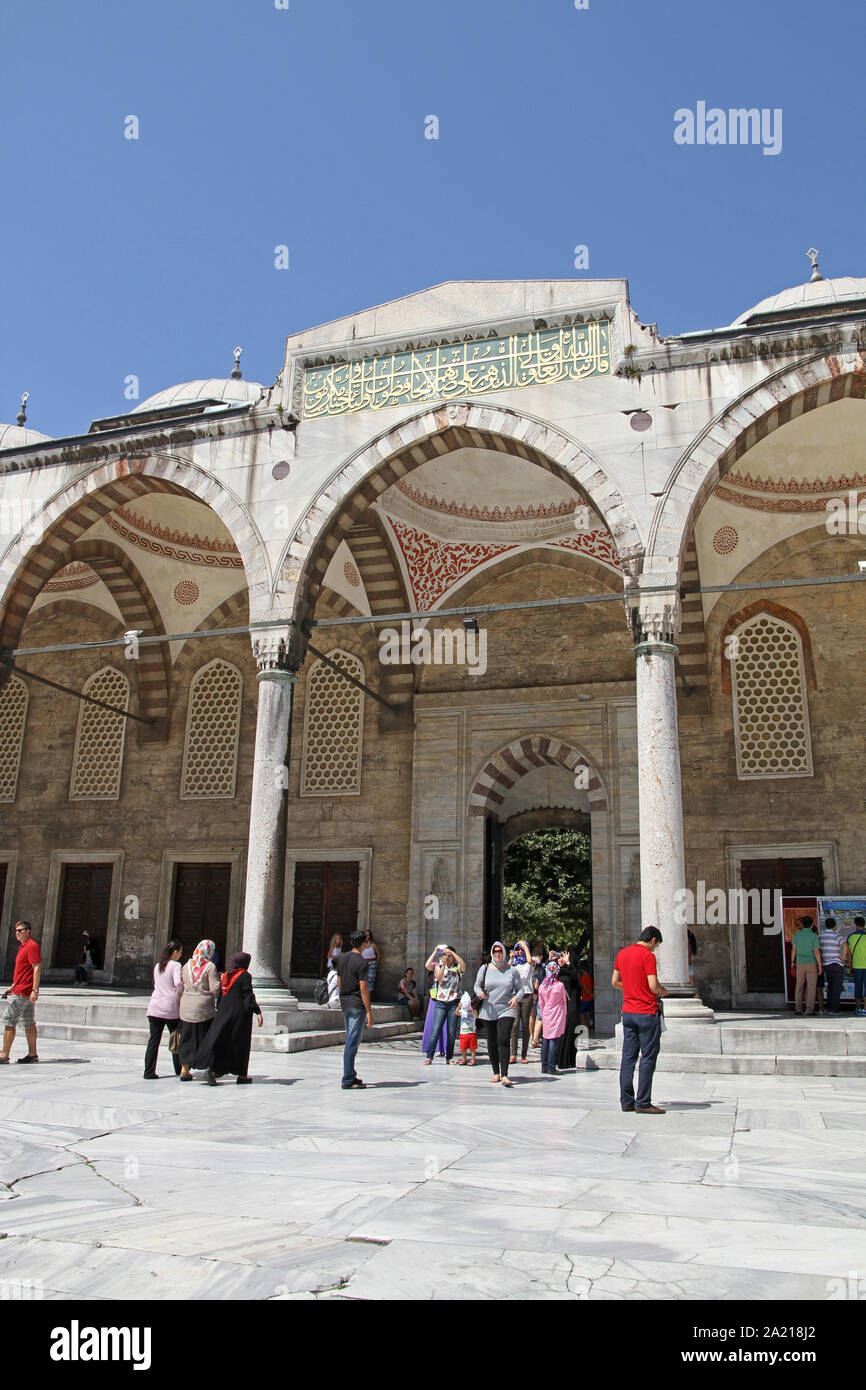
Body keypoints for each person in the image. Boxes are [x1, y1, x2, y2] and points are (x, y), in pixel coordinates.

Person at [612, 926, 668, 1114]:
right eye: (656, 945)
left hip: (628, 1012)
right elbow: (653, 985)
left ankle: (626, 1101)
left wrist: (632, 989)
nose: (655, 949)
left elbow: (614, 981)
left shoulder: (622, 954)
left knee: (628, 1057)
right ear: (653, 940)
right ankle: (643, 1102)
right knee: (648, 1057)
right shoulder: (648, 956)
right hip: (646, 1012)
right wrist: (663, 992)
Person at [191, 952, 263, 1084]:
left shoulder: (225, 976)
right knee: (240, 1044)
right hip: (240, 1014)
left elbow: (220, 995)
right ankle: (242, 1075)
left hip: (224, 1012)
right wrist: (257, 1011)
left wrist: (219, 1009)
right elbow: (248, 994)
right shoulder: (245, 975)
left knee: (223, 1041)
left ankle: (213, 1069)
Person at [473, 941, 528, 1087]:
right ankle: (496, 1072)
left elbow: (520, 989)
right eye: (495, 951)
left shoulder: (511, 970)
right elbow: (477, 986)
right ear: (492, 952)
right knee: (492, 1041)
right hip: (488, 1010)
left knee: (503, 1039)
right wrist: (479, 994)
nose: (498, 953)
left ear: (504, 952)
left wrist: (516, 998)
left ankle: (505, 1074)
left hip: (506, 1009)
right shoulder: (484, 969)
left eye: (500, 951)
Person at [177, 939, 221, 1081]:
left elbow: (181, 986)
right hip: (203, 1010)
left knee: (187, 1038)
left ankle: (184, 1069)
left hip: (186, 1008)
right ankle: (208, 1068)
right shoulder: (210, 967)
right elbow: (215, 989)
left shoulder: (186, 965)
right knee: (205, 1039)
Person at [336, 928, 374, 1089]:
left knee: (351, 1039)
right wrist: (369, 1012)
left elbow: (338, 981)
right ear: (364, 944)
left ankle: (351, 1073)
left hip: (345, 1002)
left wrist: (343, 997)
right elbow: (364, 988)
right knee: (352, 1041)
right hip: (357, 1005)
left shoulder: (342, 958)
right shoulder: (362, 962)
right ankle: (347, 1079)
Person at [0, 921, 41, 1064]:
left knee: (9, 1022)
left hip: (23, 993)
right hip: (20, 989)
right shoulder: (23, 947)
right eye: (16, 930)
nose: (17, 933)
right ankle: (32, 1054)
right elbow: (24, 971)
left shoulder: (32, 946)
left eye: (20, 930)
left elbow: (36, 967)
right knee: (29, 1022)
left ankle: (4, 1054)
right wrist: (12, 985)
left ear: (28, 931)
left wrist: (35, 990)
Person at [143, 939, 183, 1079]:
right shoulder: (175, 965)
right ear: (176, 952)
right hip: (170, 1008)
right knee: (176, 1038)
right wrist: (182, 991)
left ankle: (148, 1071)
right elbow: (178, 983)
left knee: (153, 1040)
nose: (180, 955)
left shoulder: (158, 965)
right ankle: (179, 1069)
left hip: (154, 1007)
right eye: (180, 952)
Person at [423, 944, 466, 1065]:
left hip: (453, 1003)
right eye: (445, 955)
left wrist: (453, 954)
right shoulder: (439, 966)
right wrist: (437, 953)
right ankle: (429, 1055)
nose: (447, 957)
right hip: (441, 1003)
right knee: (435, 1030)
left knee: (451, 1032)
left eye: (449, 955)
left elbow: (464, 966)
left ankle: (449, 1056)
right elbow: (438, 976)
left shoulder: (457, 968)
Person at [537, 960, 568, 1074]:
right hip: (557, 1014)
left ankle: (544, 1066)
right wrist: (564, 1013)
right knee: (554, 1040)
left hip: (546, 1013)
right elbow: (564, 1001)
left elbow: (541, 1003)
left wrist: (543, 1013)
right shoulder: (559, 986)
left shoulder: (542, 987)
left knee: (545, 1039)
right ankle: (551, 1067)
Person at [509, 939, 535, 1065]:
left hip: (527, 995)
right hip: (515, 996)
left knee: (525, 1025)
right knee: (514, 1025)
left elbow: (530, 960)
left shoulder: (529, 964)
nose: (520, 952)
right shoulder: (514, 964)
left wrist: (525, 947)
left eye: (522, 950)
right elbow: (506, 972)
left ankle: (523, 1054)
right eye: (518, 949)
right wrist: (511, 958)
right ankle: (513, 1054)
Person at [791, 915, 822, 1016]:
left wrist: (792, 962)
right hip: (811, 963)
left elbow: (794, 949)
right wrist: (820, 965)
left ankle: (798, 1008)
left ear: (802, 924)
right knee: (811, 987)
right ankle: (809, 1010)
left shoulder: (797, 935)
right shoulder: (813, 936)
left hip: (799, 963)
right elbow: (816, 951)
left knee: (799, 986)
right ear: (812, 924)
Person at [557, 948, 581, 1069]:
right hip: (559, 1006)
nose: (561, 959)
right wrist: (550, 961)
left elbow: (575, 976)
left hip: (570, 1005)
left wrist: (568, 964)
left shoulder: (570, 970)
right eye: (559, 957)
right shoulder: (556, 971)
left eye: (563, 957)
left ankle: (568, 1060)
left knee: (570, 1031)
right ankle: (558, 1059)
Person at [818, 917, 845, 1016]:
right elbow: (844, 944)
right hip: (836, 963)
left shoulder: (822, 936)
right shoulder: (836, 935)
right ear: (835, 926)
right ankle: (834, 1009)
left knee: (830, 986)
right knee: (837, 987)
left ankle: (829, 1008)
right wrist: (842, 956)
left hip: (826, 964)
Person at [846, 915, 866, 1017]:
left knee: (858, 987)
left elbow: (849, 955)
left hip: (856, 966)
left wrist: (849, 967)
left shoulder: (851, 937)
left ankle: (858, 1008)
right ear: (864, 925)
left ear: (855, 925)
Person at [456, 990, 478, 1065]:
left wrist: (471, 1009)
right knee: (463, 1048)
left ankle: (473, 1059)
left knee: (472, 1048)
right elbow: (456, 1013)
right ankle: (464, 1059)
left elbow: (476, 1016)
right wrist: (459, 1006)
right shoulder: (462, 1011)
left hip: (471, 1032)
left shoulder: (472, 1011)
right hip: (463, 1032)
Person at [362, 930, 380, 998]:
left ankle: (368, 998)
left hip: (372, 963)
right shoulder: (362, 945)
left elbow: (378, 954)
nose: (367, 936)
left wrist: (377, 963)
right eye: (365, 935)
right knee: (363, 980)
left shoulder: (373, 945)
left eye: (368, 934)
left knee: (370, 980)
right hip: (363, 964)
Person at [579, 961, 594, 1030]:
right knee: (587, 1011)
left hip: (585, 997)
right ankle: (588, 1024)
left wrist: (589, 993)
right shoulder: (589, 977)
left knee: (581, 1012)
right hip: (590, 998)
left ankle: (584, 1025)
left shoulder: (583, 978)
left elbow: (584, 987)